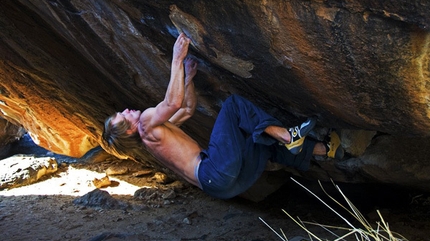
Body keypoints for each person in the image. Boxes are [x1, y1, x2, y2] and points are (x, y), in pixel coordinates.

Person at [102, 33, 340, 199]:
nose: (126, 111)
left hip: (222, 187)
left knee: (259, 141)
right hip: (213, 171)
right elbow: (172, 103)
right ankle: (289, 136)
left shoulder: (154, 136)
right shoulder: (145, 123)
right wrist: (177, 58)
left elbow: (186, 110)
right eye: (122, 117)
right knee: (233, 105)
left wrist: (187, 79)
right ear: (130, 129)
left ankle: (325, 149)